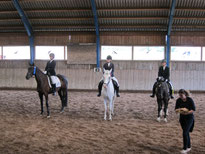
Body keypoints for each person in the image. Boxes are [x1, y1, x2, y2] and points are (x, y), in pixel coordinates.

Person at [175, 89, 195, 154]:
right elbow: (176, 109)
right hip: (182, 118)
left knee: (185, 133)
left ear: (185, 94)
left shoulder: (190, 100)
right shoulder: (178, 100)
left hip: (189, 118)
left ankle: (185, 148)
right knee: (186, 133)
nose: (180, 96)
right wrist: (179, 110)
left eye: (181, 95)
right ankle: (189, 146)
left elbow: (193, 109)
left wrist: (187, 112)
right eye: (179, 95)